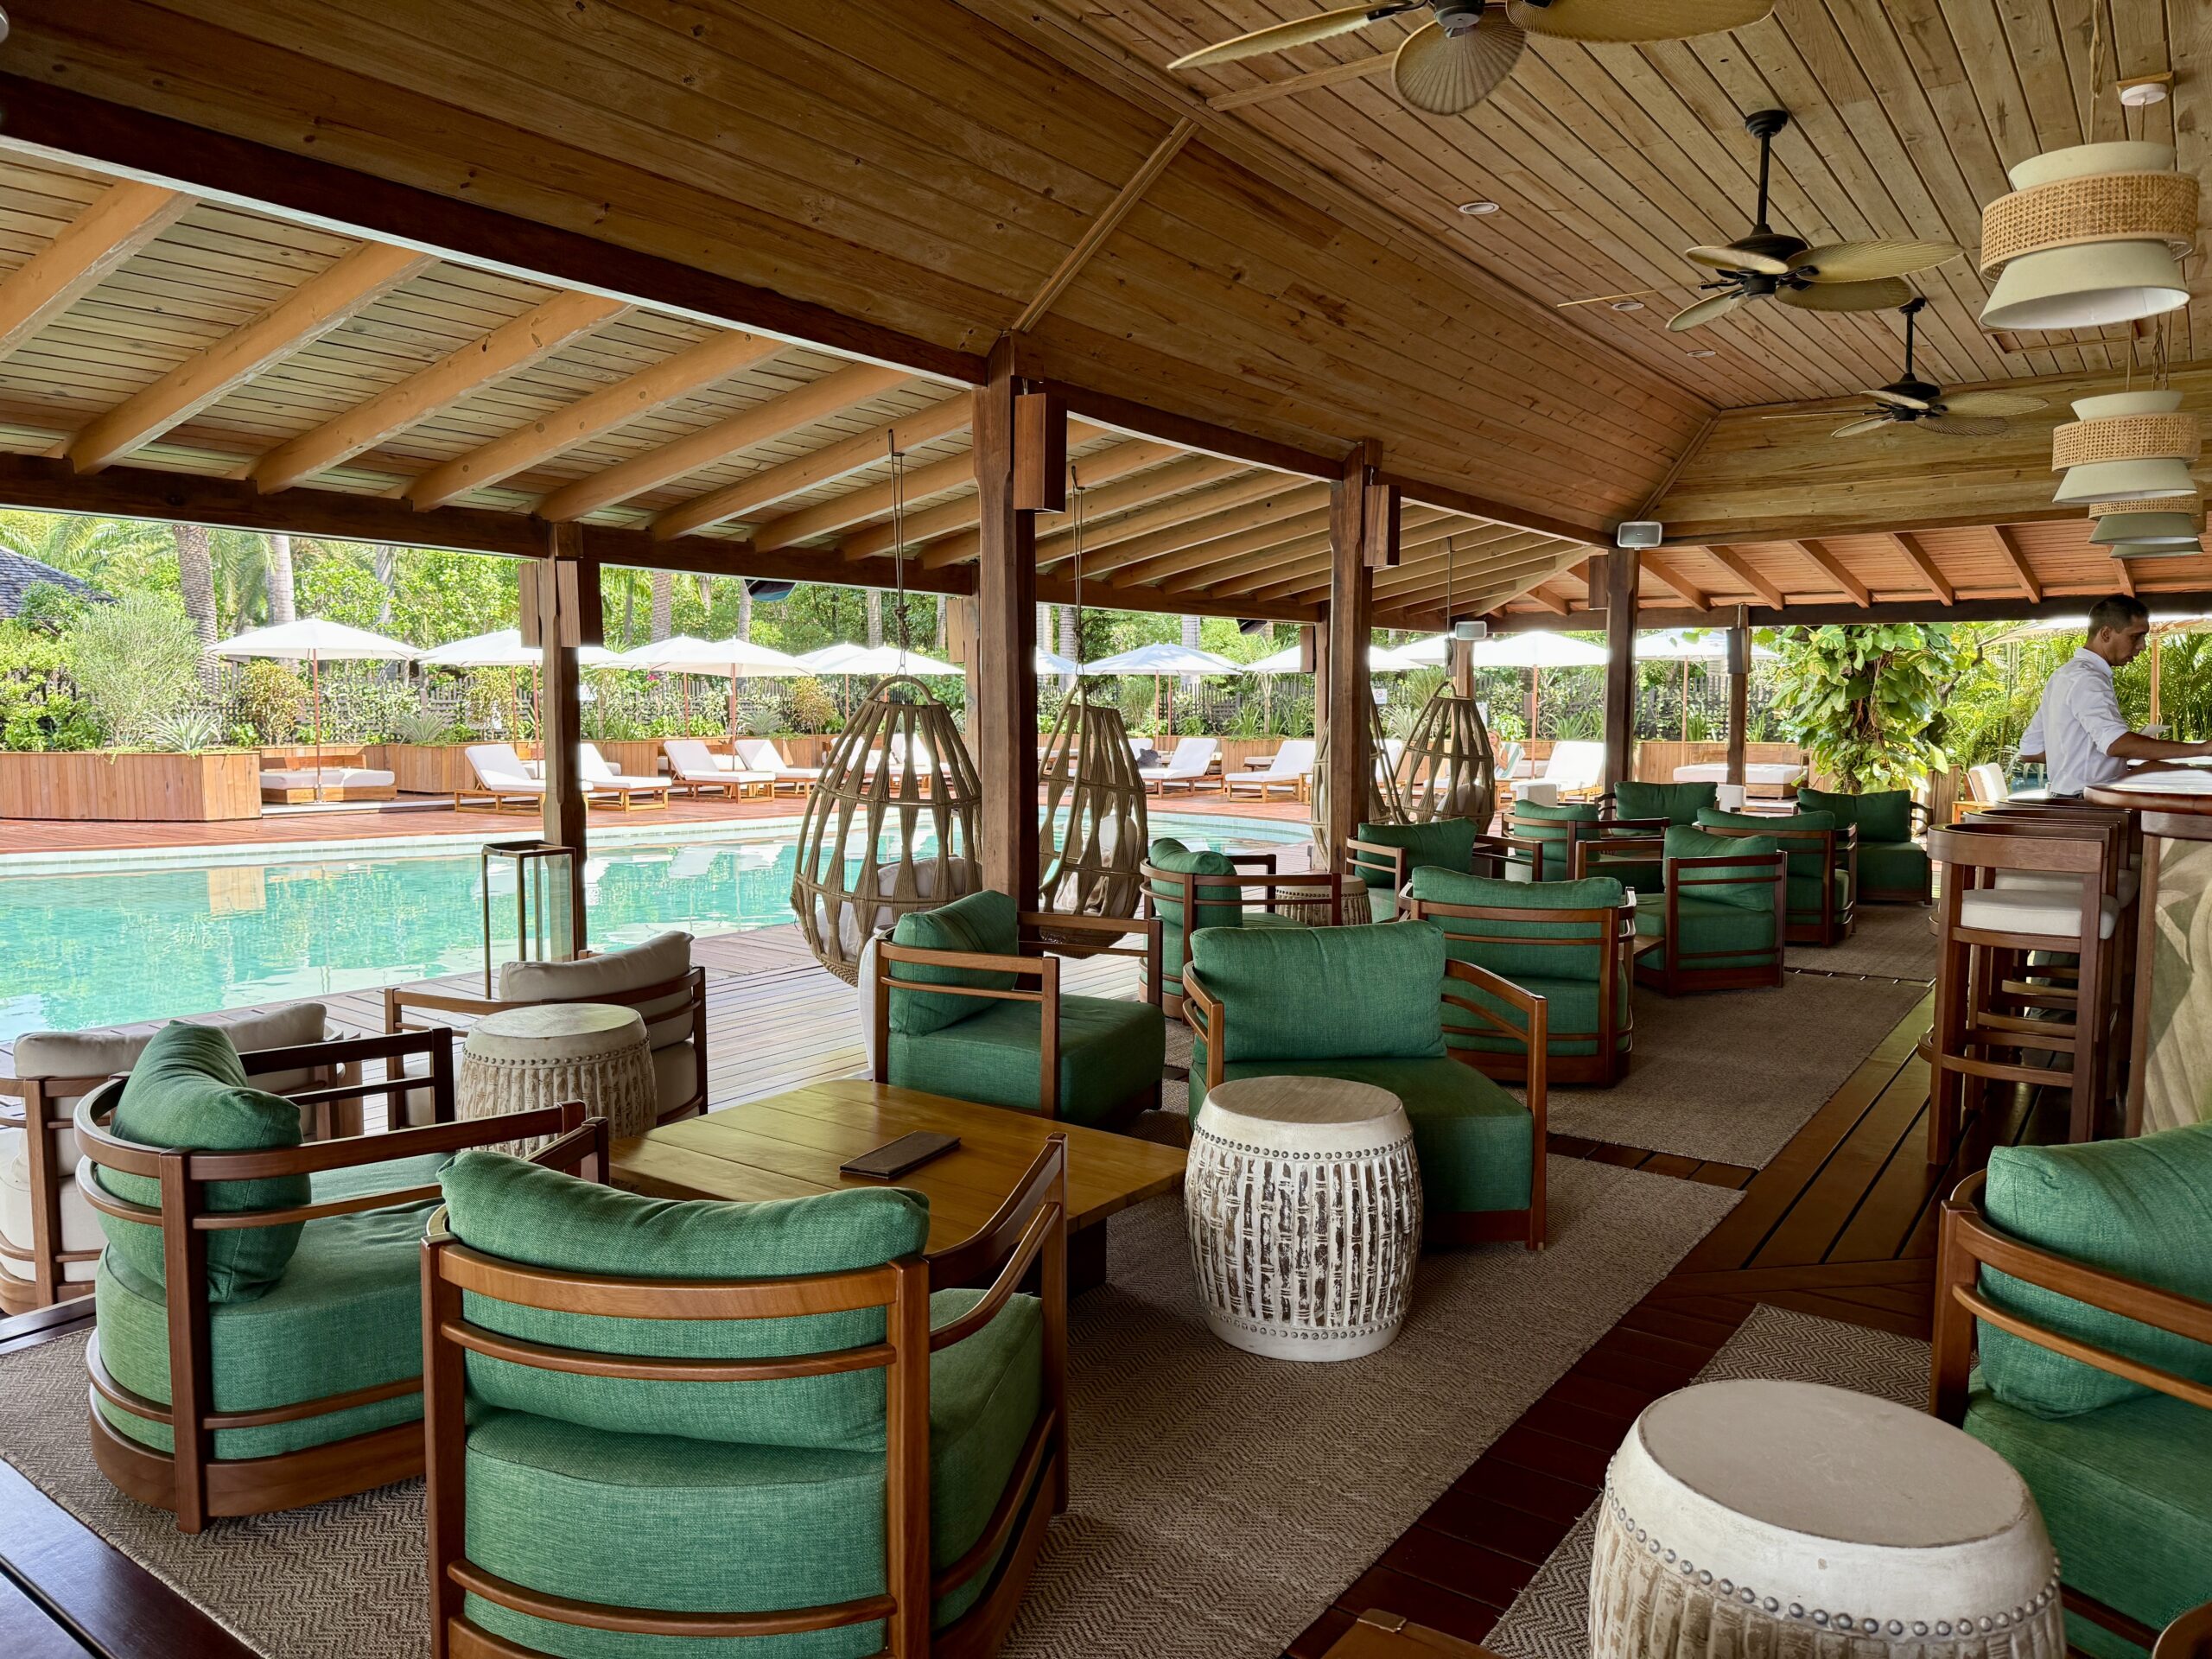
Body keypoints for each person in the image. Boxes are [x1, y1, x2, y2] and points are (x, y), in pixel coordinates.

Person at [2018, 594, 2212, 795]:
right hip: (2090, 807)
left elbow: (2030, 750)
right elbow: (2115, 743)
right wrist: (2201, 749)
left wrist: (2082, 757)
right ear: (2106, 634)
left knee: (2175, 773)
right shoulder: (2088, 679)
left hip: (2069, 799)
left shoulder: (2064, 675)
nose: (2142, 646)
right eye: (2135, 636)